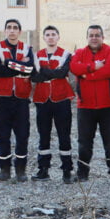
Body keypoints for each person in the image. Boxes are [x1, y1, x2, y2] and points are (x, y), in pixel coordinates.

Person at [70, 25, 110, 184]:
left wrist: (86, 75)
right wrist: (92, 67)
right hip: (85, 106)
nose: (94, 38)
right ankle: (82, 173)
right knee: (84, 143)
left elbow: (109, 70)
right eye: (91, 35)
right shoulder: (79, 53)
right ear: (87, 37)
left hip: (109, 106)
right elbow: (73, 67)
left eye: (97, 35)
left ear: (102, 37)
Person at [0, 19, 35, 181]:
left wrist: (8, 63)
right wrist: (19, 67)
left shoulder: (27, 48)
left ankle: (21, 169)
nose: (12, 30)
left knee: (22, 134)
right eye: (9, 28)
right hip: (2, 97)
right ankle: (5, 169)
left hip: (22, 98)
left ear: (20, 32)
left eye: (15, 28)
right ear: (5, 31)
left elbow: (29, 68)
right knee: (2, 134)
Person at [30, 25, 74, 182]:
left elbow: (63, 73)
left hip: (61, 99)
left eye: (53, 34)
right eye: (47, 34)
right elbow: (34, 77)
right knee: (43, 136)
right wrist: (53, 74)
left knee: (64, 135)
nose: (50, 37)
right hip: (42, 100)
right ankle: (43, 170)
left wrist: (45, 72)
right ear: (43, 38)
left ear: (58, 37)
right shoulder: (37, 55)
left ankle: (67, 170)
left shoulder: (66, 54)